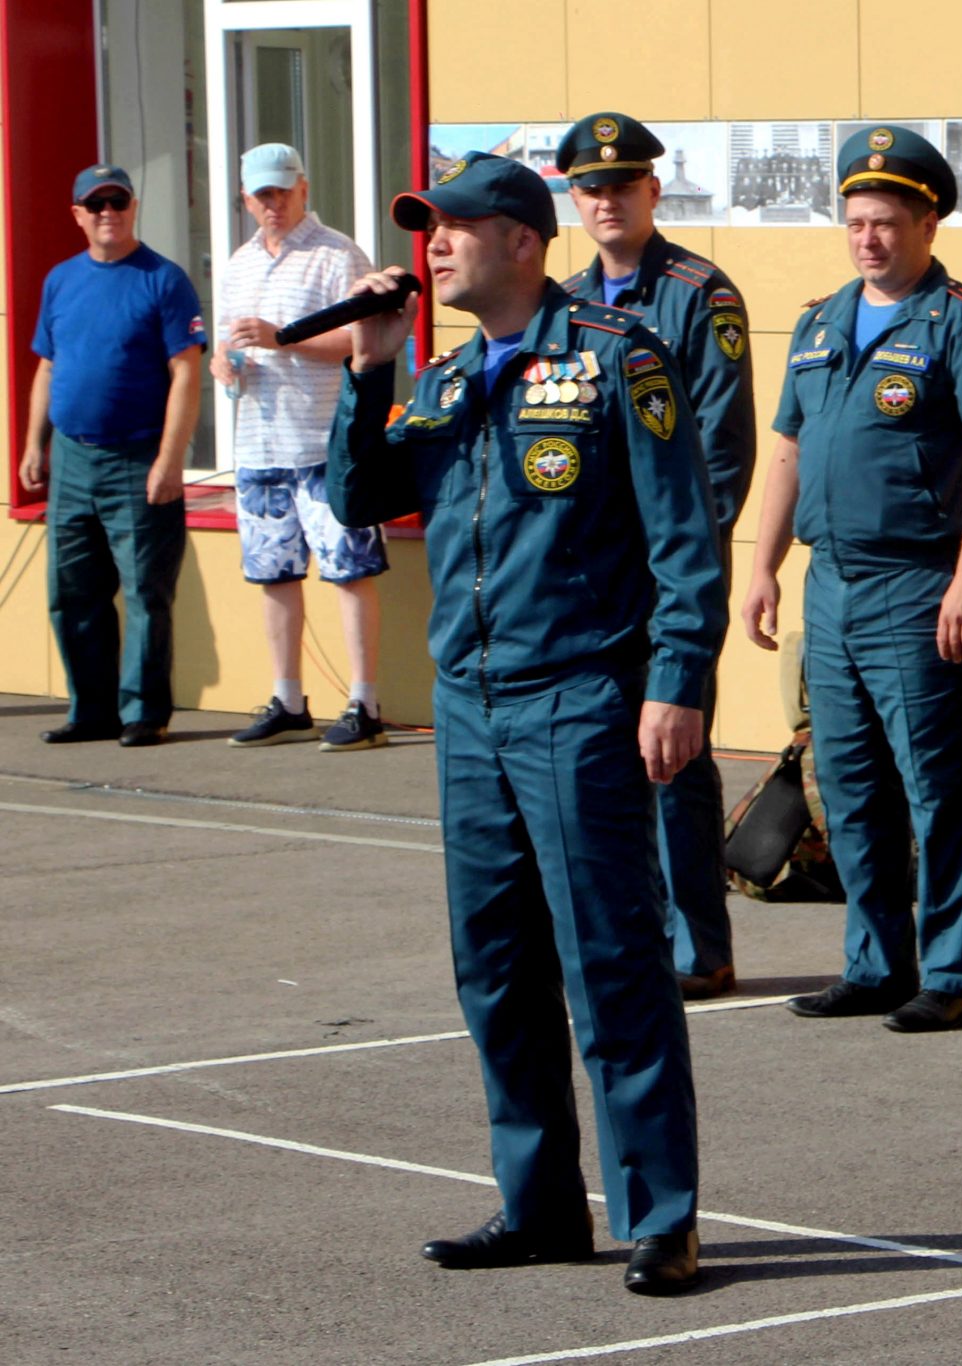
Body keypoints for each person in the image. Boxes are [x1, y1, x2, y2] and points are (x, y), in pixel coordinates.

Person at [325, 153, 727, 1296]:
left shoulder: (612, 360)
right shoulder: (446, 380)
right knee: (494, 966)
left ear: (518, 239)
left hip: (581, 698)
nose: (432, 246)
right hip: (471, 706)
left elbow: (683, 537)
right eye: (427, 230)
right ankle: (540, 1203)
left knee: (611, 963)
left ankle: (661, 1213)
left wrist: (678, 680)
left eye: (452, 227)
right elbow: (361, 497)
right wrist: (368, 371)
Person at [741, 125, 962, 1034]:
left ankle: (951, 973)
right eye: (857, 221)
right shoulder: (820, 321)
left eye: (888, 222)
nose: (869, 238)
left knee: (933, 784)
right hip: (833, 582)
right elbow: (786, 451)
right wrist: (763, 565)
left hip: (914, 583)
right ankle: (874, 961)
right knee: (847, 779)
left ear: (928, 222)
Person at [558, 111, 756, 1000]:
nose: (606, 201)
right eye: (590, 189)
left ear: (652, 191)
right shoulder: (562, 304)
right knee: (601, 759)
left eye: (621, 185)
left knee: (675, 754)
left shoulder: (699, 293)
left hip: (668, 572)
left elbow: (721, 450)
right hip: (588, 577)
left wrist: (686, 566)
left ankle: (699, 946)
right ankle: (628, 934)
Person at [212, 143, 390, 752]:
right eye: (263, 195)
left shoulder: (336, 254)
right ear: (246, 199)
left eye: (283, 192)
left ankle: (365, 700)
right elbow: (228, 341)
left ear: (304, 190)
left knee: (348, 569)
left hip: (323, 441)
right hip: (260, 440)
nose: (274, 205)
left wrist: (282, 339)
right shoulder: (237, 263)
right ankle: (288, 697)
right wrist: (224, 363)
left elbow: (362, 337)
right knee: (274, 575)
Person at [21, 164, 205, 748]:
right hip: (73, 459)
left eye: (117, 201)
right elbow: (48, 367)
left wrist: (170, 461)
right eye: (95, 204)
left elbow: (186, 373)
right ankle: (91, 709)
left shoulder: (163, 280)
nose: (108, 212)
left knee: (146, 592)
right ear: (77, 214)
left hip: (137, 456)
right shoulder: (61, 280)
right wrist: (34, 444)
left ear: (133, 206)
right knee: (72, 591)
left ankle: (143, 713)